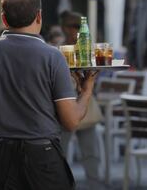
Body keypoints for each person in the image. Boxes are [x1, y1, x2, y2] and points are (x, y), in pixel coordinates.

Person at [0, 0, 98, 189]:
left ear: (4, 19)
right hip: (42, 159)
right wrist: (86, 91)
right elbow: (70, 122)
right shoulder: (53, 57)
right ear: (39, 17)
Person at [59, 10, 103, 188]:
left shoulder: (88, 50)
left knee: (90, 150)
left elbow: (95, 78)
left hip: (84, 105)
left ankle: (94, 184)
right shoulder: (57, 50)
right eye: (72, 26)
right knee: (60, 149)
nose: (75, 30)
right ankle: (59, 183)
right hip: (63, 106)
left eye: (78, 26)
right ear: (64, 28)